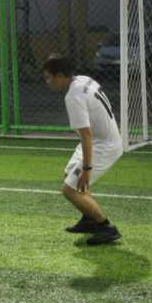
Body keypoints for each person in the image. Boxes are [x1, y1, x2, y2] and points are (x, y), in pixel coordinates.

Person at [42, 54, 122, 245]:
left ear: (60, 75)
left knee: (70, 190)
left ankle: (106, 227)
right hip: (99, 139)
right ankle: (89, 219)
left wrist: (87, 169)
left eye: (48, 77)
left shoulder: (73, 97)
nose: (47, 82)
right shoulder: (83, 79)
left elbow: (85, 135)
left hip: (103, 145)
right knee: (69, 174)